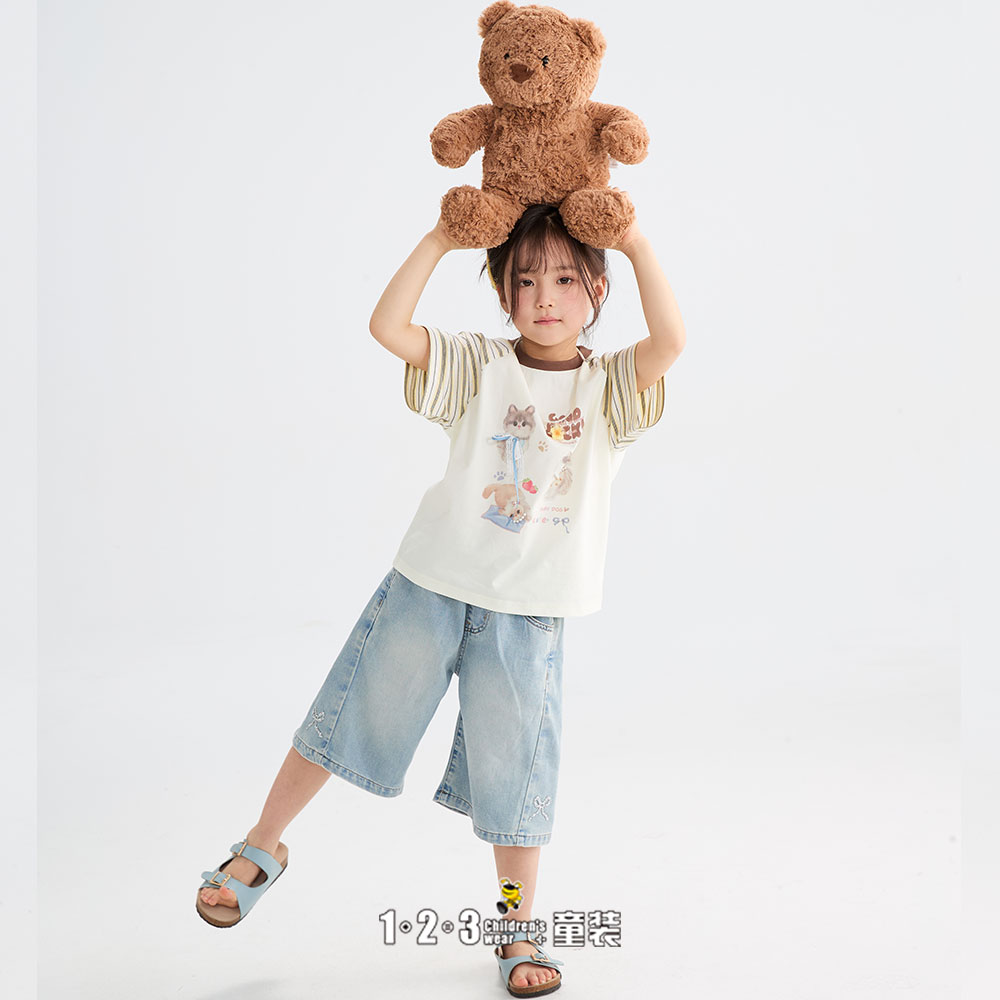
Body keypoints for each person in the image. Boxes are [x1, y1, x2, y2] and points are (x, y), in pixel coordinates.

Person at [195, 202, 686, 996]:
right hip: (429, 586)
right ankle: (262, 843)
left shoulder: (609, 388)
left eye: (566, 279)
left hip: (530, 612)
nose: (545, 297)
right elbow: (388, 327)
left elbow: (671, 343)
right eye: (524, 280)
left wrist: (633, 242)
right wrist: (439, 240)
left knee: (517, 776)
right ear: (501, 293)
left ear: (598, 288)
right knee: (345, 713)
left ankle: (517, 928)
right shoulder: (476, 365)